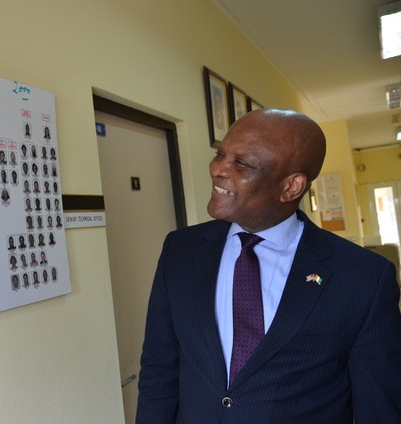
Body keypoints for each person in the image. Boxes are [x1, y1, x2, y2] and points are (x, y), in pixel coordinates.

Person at [136, 109, 401, 423]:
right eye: (220, 153)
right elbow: (159, 369)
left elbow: (379, 407)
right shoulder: (180, 251)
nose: (218, 169)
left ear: (291, 187)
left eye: (242, 163)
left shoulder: (364, 277)